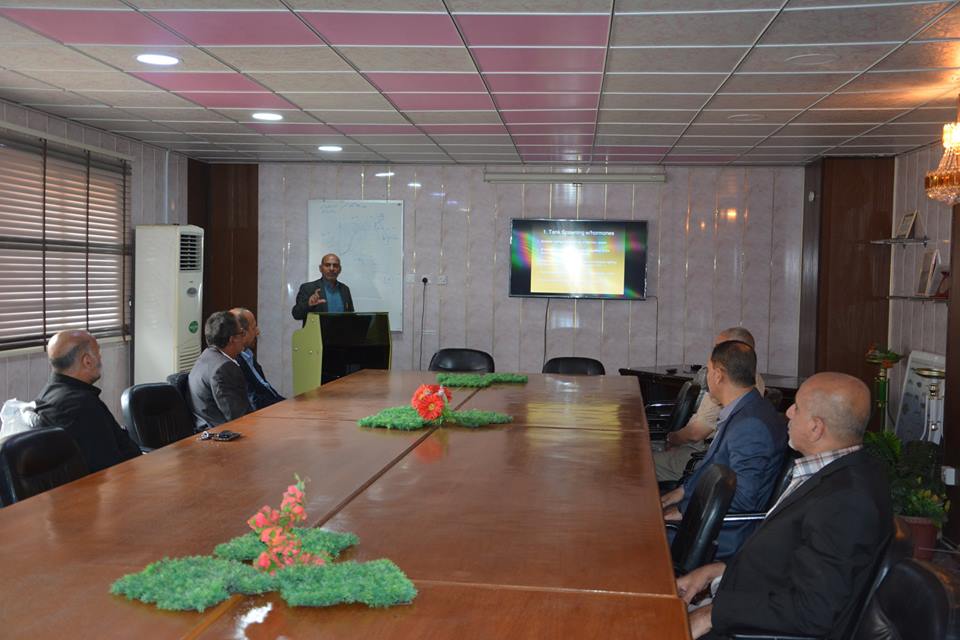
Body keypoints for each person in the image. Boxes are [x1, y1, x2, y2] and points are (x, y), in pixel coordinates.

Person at [677, 373, 892, 640]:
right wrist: (717, 571)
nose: (788, 412)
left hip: (744, 630)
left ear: (816, 428)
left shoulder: (847, 502)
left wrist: (710, 614)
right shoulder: (837, 471)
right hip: (739, 597)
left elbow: (812, 612)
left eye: (797, 408)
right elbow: (783, 559)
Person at [661, 340, 786, 558]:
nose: (708, 377)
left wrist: (683, 510)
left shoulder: (751, 425)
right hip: (707, 520)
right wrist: (681, 493)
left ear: (718, 375)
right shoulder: (747, 408)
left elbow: (743, 499)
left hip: (718, 536)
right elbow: (714, 464)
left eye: (708, 371)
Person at [654, 327, 766, 483]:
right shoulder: (751, 380)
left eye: (720, 347)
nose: (714, 354)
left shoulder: (730, 385)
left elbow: (695, 433)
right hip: (704, 452)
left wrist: (670, 439)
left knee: (635, 463)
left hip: (700, 454)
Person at [33, 330, 141, 473]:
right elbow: (109, 467)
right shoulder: (82, 406)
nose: (100, 358)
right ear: (87, 361)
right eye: (98, 353)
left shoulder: (46, 394)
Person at [188, 311, 253, 427]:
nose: (244, 338)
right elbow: (238, 418)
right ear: (232, 339)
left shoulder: (206, 356)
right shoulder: (224, 368)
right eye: (242, 333)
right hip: (224, 433)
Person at [231, 307, 284, 410]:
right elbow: (253, 401)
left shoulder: (248, 354)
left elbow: (267, 390)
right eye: (254, 327)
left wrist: (289, 404)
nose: (257, 332)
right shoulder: (234, 362)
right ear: (243, 333)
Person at [291, 253, 354, 326]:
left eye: (335, 265)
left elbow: (351, 316)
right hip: (317, 333)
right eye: (327, 265)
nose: (331, 269)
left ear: (340, 269)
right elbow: (296, 314)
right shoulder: (308, 288)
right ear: (321, 268)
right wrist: (308, 304)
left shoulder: (345, 289)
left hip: (342, 332)